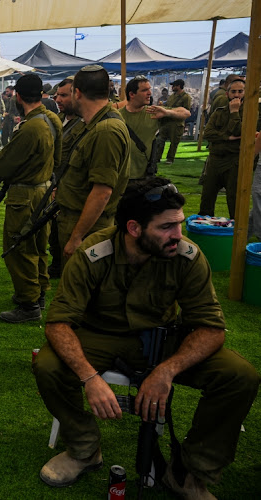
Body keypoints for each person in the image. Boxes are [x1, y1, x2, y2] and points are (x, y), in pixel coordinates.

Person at [34, 177, 259, 498]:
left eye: (179, 224)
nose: (178, 235)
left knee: (239, 375)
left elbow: (211, 329)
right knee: (48, 365)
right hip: (101, 335)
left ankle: (190, 472)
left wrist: (166, 371)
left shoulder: (187, 256)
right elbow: (58, 324)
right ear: (135, 228)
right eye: (166, 227)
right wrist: (90, 378)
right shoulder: (93, 254)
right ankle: (84, 449)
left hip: (166, 338)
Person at [0, 74, 62, 324]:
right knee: (38, 247)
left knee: (20, 248)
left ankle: (29, 303)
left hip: (25, 194)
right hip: (44, 189)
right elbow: (59, 158)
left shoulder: (31, 126)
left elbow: (2, 166)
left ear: (18, 97)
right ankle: (38, 293)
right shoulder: (52, 119)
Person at [55, 65, 130, 269]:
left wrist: (76, 237)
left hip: (87, 228)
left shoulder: (105, 130)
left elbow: (102, 193)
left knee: (84, 291)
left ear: (77, 93)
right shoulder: (95, 124)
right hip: (81, 221)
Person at [199, 78, 257, 218]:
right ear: (227, 94)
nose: (236, 95)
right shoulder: (219, 112)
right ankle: (204, 228)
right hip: (215, 159)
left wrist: (235, 112)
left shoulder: (251, 113)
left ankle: (236, 231)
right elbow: (208, 133)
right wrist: (227, 137)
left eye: (240, 91)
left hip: (235, 160)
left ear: (245, 93)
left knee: (234, 198)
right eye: (233, 91)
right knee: (207, 196)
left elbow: (238, 131)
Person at [49, 76, 86, 278]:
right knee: (54, 232)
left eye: (64, 95)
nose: (58, 99)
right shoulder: (59, 119)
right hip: (56, 184)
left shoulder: (85, 123)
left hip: (72, 188)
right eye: (57, 95)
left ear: (77, 94)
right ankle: (56, 264)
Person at [119, 76, 190, 180]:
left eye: (149, 89)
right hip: (120, 175)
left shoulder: (153, 112)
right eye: (144, 90)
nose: (149, 93)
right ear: (132, 94)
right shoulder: (117, 116)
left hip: (144, 175)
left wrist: (167, 112)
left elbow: (186, 113)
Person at [155, 79, 191, 165]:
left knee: (174, 142)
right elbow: (167, 106)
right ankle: (157, 157)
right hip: (166, 122)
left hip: (176, 123)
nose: (172, 87)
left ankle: (170, 159)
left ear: (178, 86)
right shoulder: (172, 96)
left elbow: (186, 111)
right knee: (160, 140)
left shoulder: (186, 97)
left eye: (174, 86)